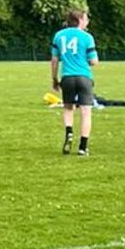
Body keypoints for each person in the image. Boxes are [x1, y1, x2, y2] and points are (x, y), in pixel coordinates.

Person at [50, 10, 97, 156]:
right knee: (86, 112)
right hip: (84, 77)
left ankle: (69, 132)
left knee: (69, 108)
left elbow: (54, 60)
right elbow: (93, 61)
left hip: (67, 77)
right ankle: (83, 146)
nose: (87, 22)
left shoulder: (58, 36)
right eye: (86, 19)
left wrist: (54, 79)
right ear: (79, 20)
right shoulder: (87, 37)